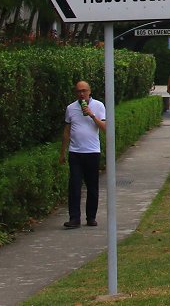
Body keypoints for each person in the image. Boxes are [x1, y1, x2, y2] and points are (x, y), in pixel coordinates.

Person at [60, 80, 106, 229]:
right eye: (78, 91)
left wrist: (92, 115)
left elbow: (106, 128)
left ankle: (91, 217)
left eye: (84, 91)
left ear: (89, 91)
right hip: (75, 152)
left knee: (92, 186)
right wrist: (63, 152)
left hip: (92, 152)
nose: (81, 94)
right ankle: (74, 218)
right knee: (74, 185)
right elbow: (67, 131)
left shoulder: (98, 106)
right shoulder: (70, 108)